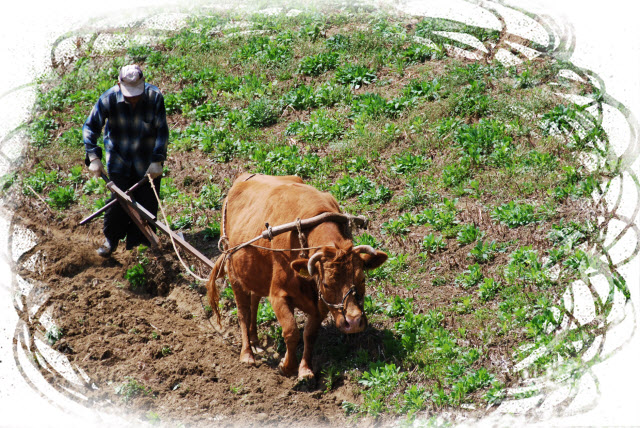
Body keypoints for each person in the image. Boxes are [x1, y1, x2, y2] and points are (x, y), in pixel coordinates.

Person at [83, 64, 169, 257]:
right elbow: (90, 128)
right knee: (118, 203)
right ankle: (111, 240)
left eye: (137, 93)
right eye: (129, 94)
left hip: (146, 162)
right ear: (119, 84)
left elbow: (162, 131)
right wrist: (93, 156)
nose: (134, 98)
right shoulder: (108, 99)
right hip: (119, 160)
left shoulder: (155, 97)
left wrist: (157, 160)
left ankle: (140, 247)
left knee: (147, 204)